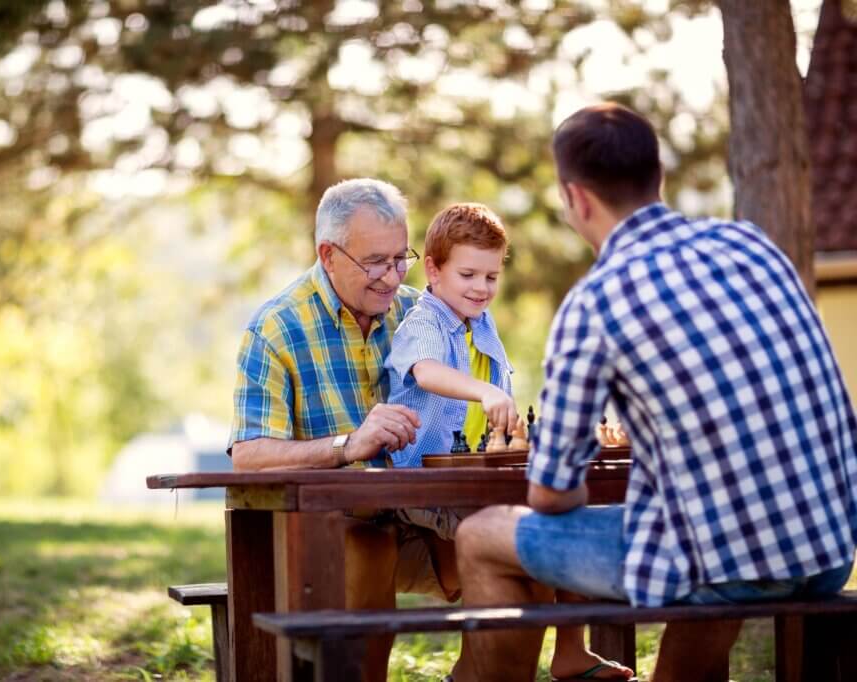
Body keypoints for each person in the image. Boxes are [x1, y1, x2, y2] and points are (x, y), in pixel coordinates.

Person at [454, 102, 857, 682]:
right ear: (657, 177)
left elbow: (550, 494)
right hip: (827, 548)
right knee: (710, 534)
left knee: (480, 535)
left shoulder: (596, 300)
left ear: (577, 199)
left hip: (721, 558)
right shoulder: (753, 247)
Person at [229, 178, 469, 681]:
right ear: (328, 254)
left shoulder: (418, 314)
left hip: (421, 518)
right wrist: (347, 446)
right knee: (368, 544)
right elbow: (248, 456)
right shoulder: (276, 328)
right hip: (323, 531)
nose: (391, 277)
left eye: (400, 258)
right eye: (374, 262)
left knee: (509, 542)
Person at [387, 203, 633, 682]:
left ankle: (570, 650)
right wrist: (484, 391)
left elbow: (498, 413)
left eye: (491, 276)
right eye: (468, 274)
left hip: (478, 477)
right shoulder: (424, 321)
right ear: (433, 270)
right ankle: (472, 671)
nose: (482, 288)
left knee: (555, 520)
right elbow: (426, 371)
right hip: (426, 483)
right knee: (516, 547)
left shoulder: (482, 324)